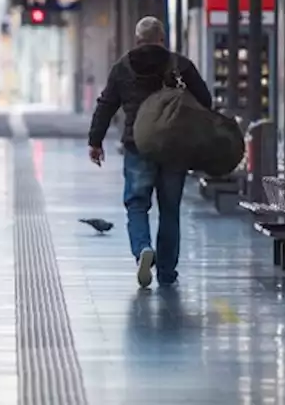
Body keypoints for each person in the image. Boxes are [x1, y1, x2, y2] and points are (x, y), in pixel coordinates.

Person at [87, 16, 212, 288]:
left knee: (137, 204)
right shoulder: (180, 65)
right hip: (174, 148)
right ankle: (167, 273)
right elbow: (206, 100)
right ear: (162, 39)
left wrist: (95, 141)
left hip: (138, 145)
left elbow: (106, 104)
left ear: (137, 40)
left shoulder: (122, 67)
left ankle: (143, 248)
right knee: (169, 210)